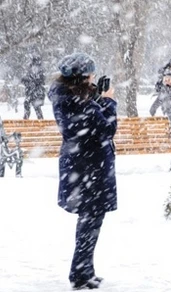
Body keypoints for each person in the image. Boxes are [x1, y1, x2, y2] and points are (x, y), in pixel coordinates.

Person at [47, 53, 117, 290]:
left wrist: (97, 95)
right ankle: (79, 274)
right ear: (82, 77)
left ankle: (85, 270)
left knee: (90, 220)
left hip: (82, 166)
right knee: (90, 220)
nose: (94, 77)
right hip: (89, 168)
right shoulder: (77, 102)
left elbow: (89, 121)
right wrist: (108, 101)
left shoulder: (69, 98)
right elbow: (106, 128)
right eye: (91, 75)